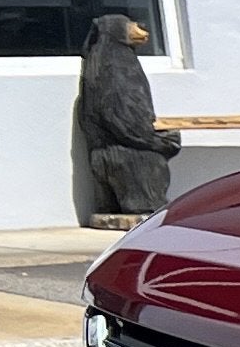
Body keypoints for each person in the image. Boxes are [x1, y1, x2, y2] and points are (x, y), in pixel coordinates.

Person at [71, 12, 180, 226]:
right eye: (129, 27)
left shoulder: (98, 66)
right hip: (127, 155)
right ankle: (144, 205)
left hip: (104, 154)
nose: (140, 32)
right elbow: (123, 118)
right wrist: (157, 141)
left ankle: (113, 203)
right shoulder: (116, 67)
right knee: (152, 162)